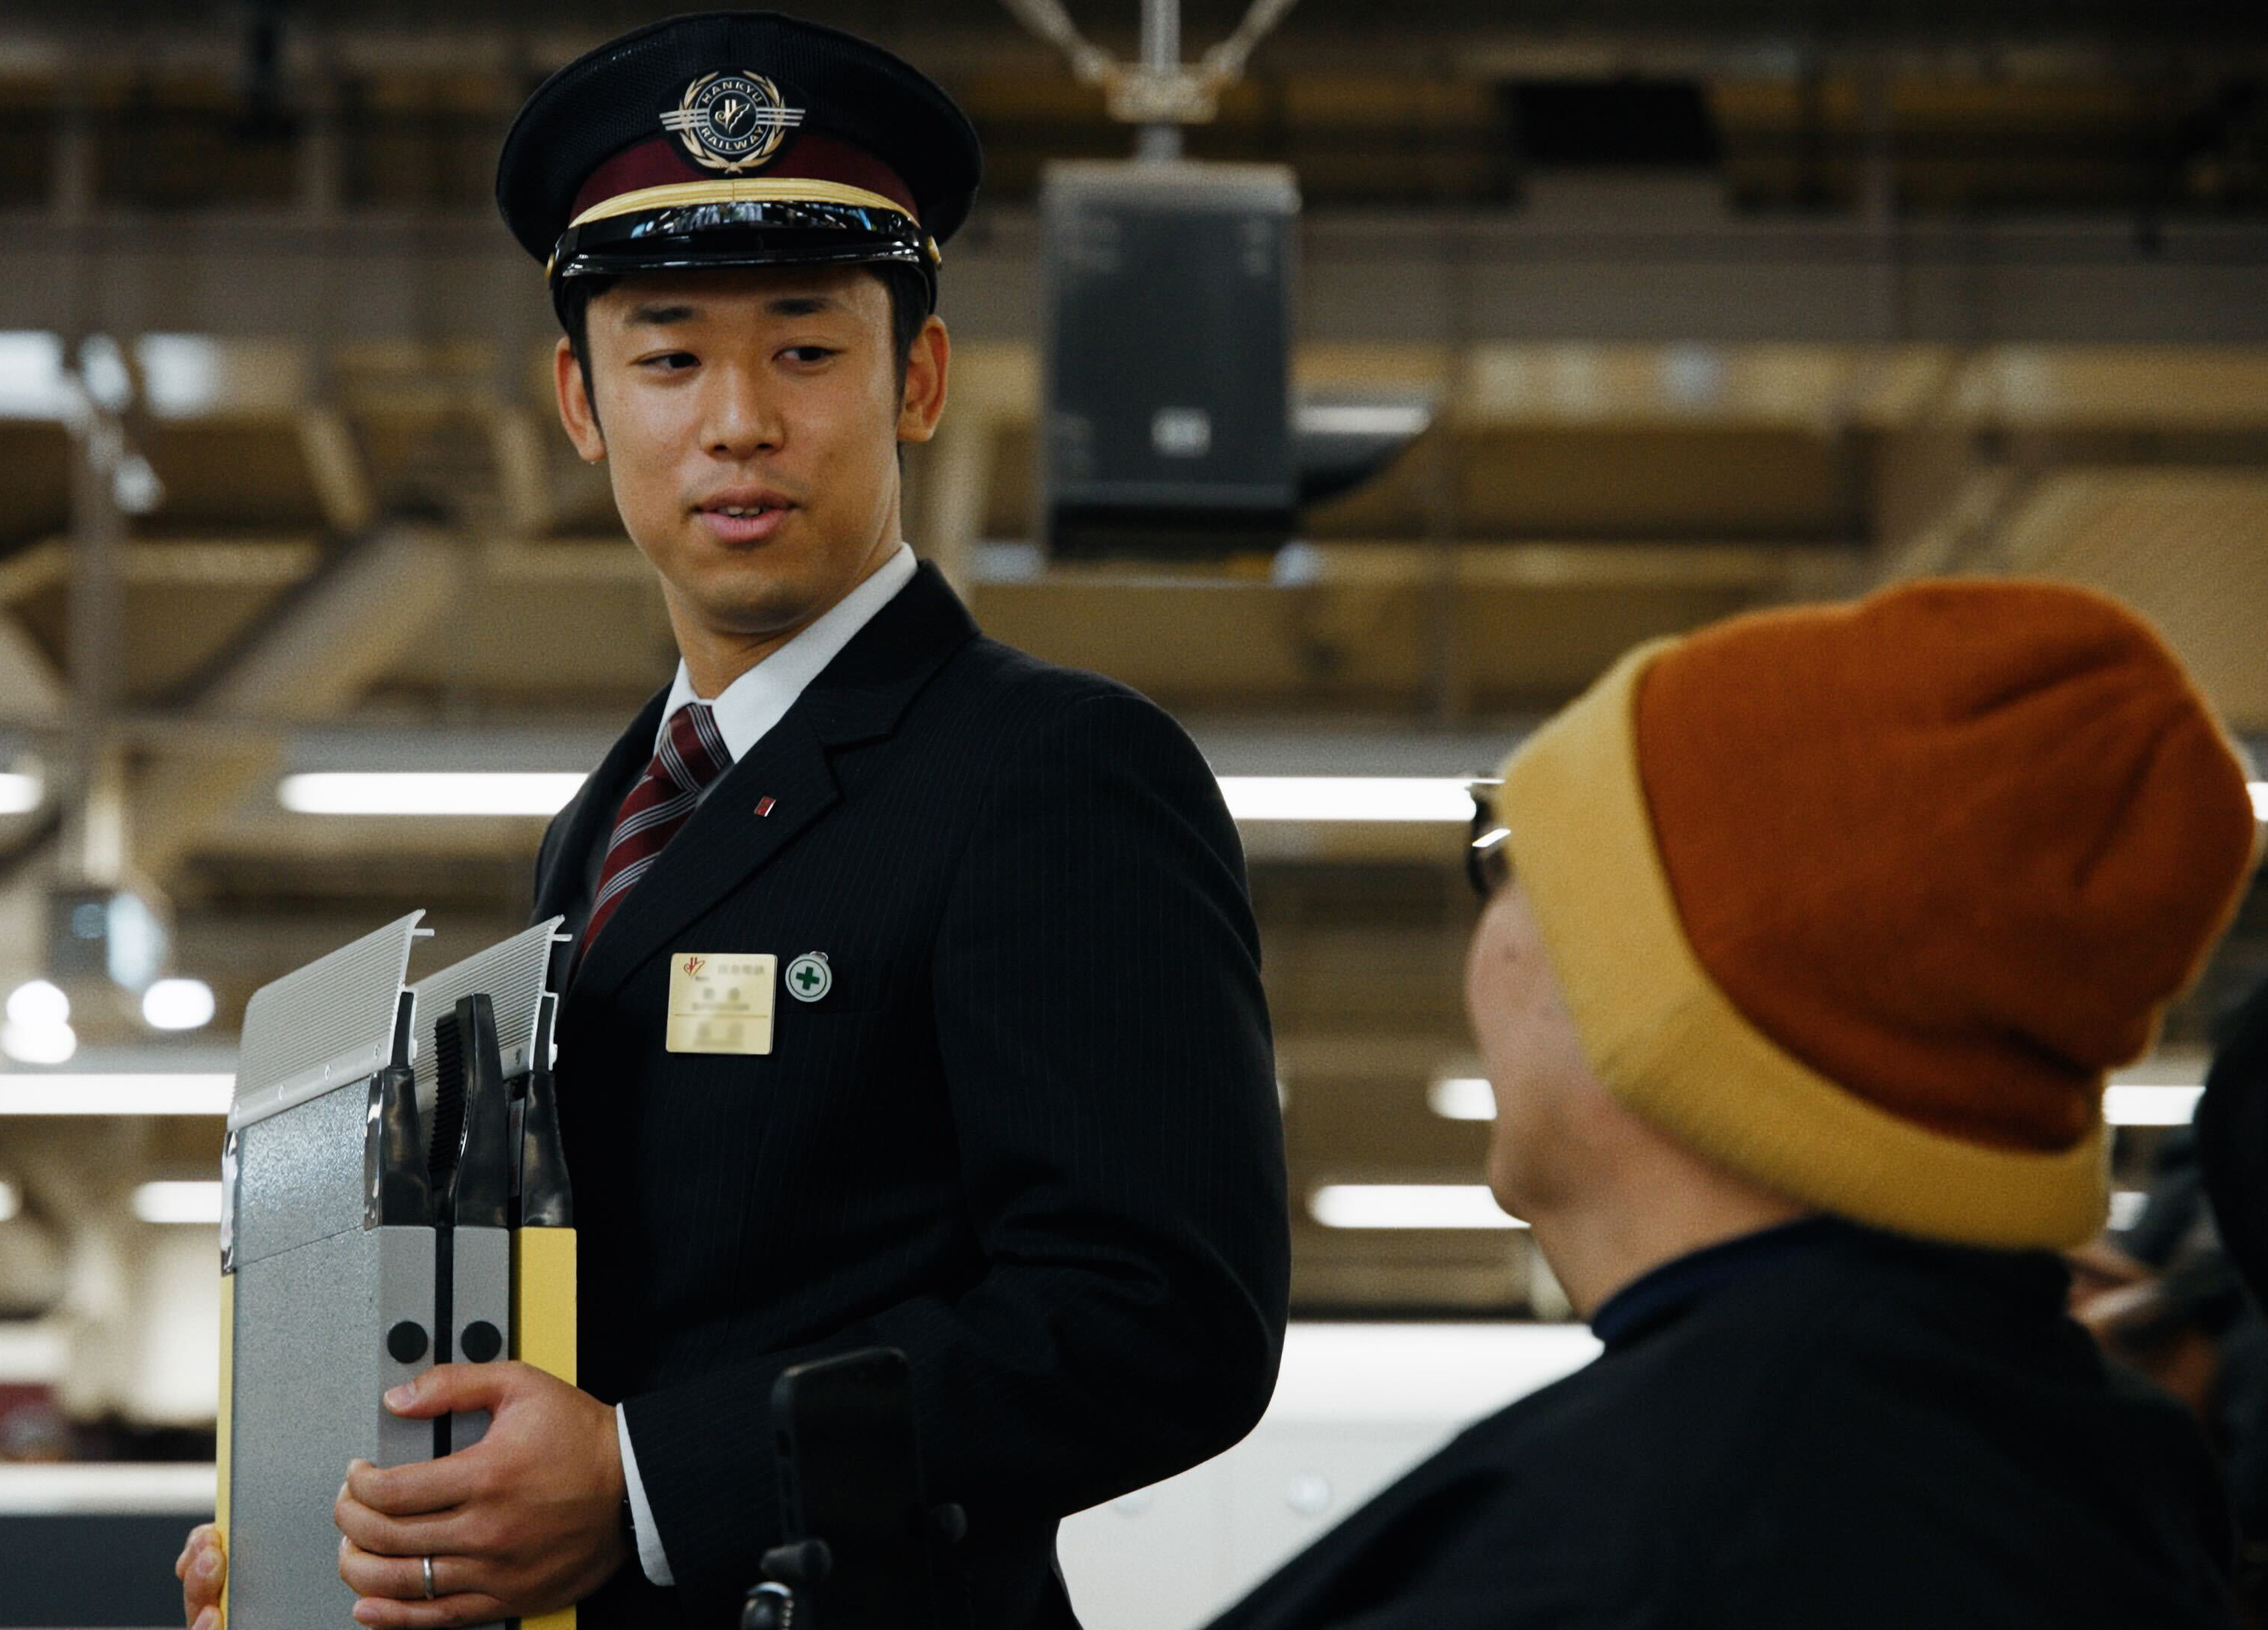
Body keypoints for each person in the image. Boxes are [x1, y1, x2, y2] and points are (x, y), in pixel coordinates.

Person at [181, 14, 1291, 1628]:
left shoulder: (1054, 772)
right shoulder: (610, 821)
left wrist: (649, 1485)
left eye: (806, 348)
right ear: (581, 399)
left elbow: (1160, 1321)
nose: (739, 422)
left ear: (916, 376)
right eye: (670, 353)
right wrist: (367, 1528)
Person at [1214, 580, 2260, 1629]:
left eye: (1513, 859)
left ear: (1658, 1002)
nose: (1483, 943)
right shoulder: (2073, 1466)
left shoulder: (1646, 1554)